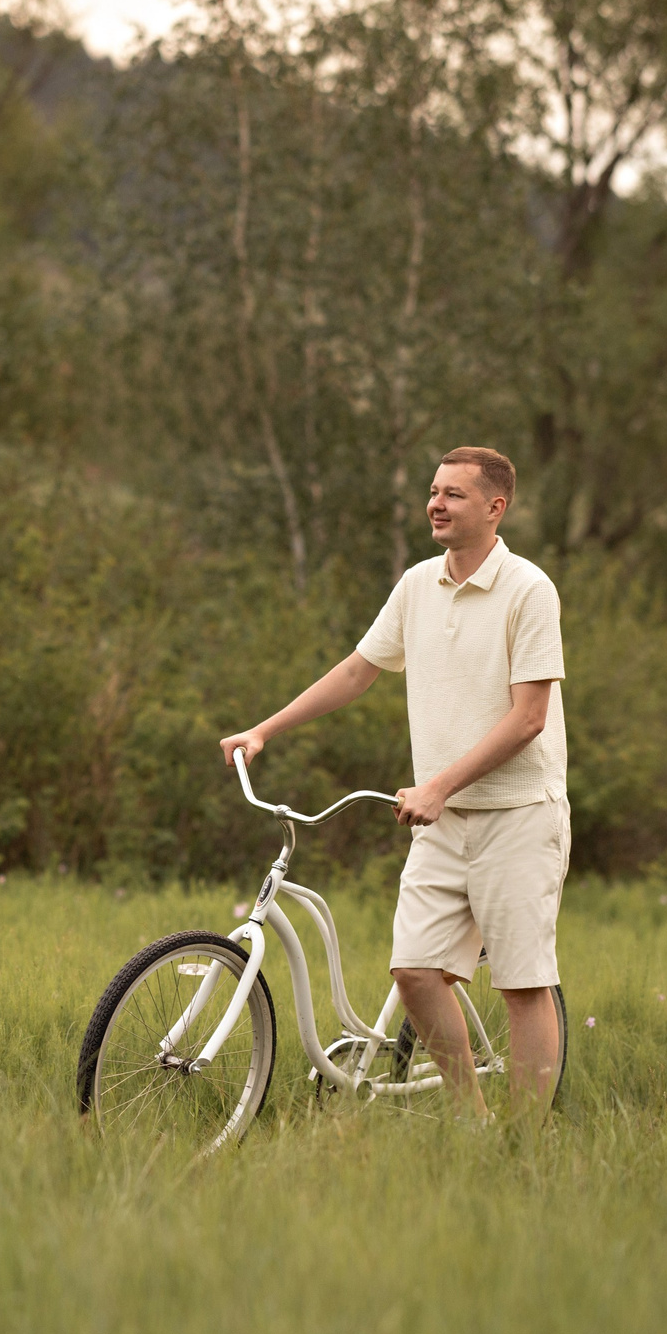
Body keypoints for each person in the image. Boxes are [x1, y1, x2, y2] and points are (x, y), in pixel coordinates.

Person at [218, 447, 567, 1116]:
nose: (436, 503)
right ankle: (471, 1122)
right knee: (413, 971)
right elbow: (357, 671)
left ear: (496, 508)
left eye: (455, 495)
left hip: (519, 815)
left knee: (523, 986)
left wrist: (437, 785)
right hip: (440, 821)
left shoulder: (528, 589)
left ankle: (527, 1147)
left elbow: (528, 719)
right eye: (434, 491)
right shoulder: (415, 585)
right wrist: (264, 729)